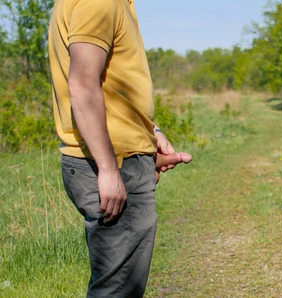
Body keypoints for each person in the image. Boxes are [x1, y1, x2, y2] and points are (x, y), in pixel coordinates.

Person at [48, 0, 191, 296]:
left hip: (120, 158)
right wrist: (108, 168)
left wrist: (150, 133)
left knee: (118, 285)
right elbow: (83, 85)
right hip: (111, 162)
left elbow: (112, 84)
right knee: (116, 290)